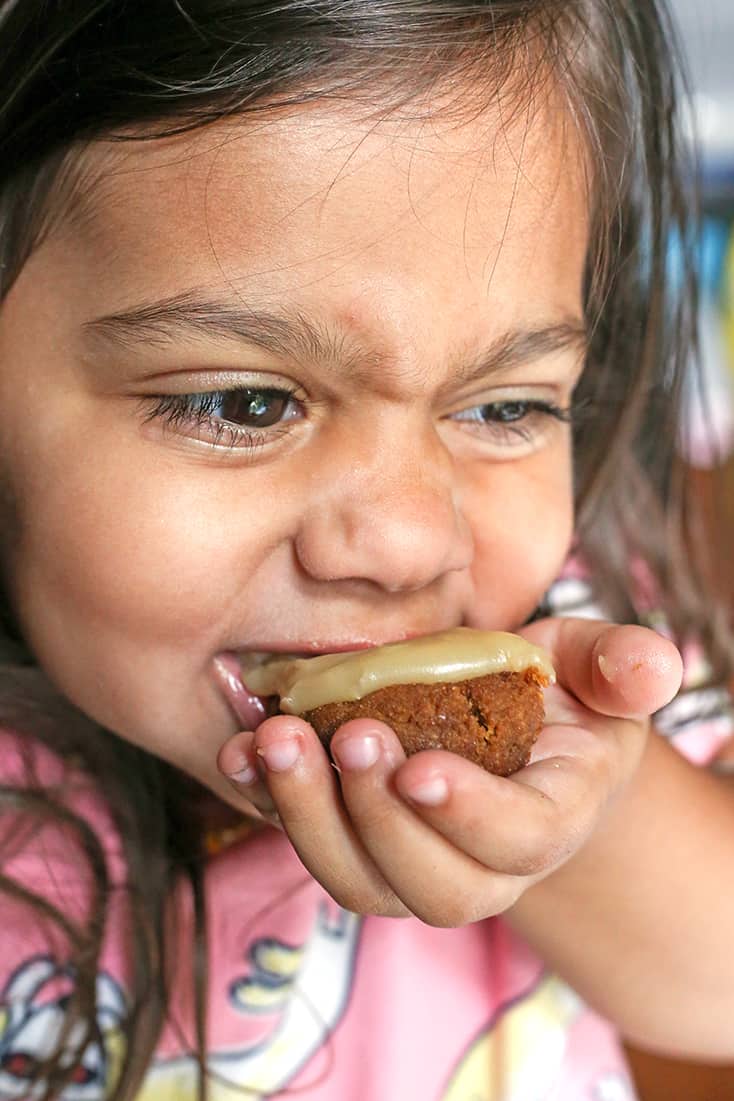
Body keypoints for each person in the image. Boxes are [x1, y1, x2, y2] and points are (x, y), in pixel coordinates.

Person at [0, 1, 733, 1098]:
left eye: (502, 409)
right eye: (245, 403)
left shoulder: (565, 644)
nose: (403, 543)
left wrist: (579, 811)